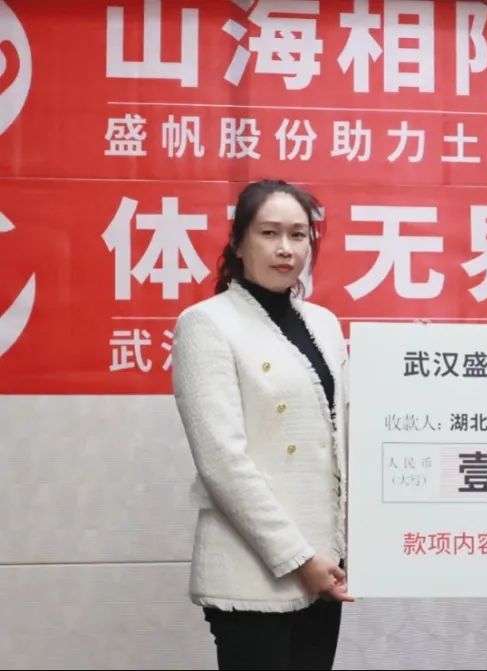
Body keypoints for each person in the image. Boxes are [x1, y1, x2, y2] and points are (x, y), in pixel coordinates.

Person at [171, 179, 353, 670]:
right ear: (238, 243)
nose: (285, 248)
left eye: (298, 235)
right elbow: (222, 463)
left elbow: (340, 442)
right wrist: (299, 559)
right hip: (252, 573)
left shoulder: (324, 323)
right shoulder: (206, 323)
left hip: (324, 565)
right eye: (269, 233)